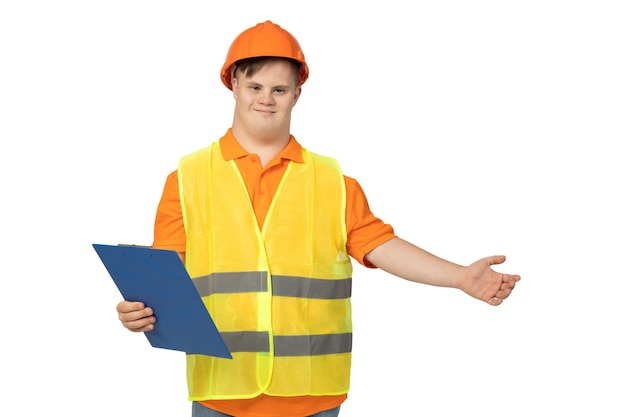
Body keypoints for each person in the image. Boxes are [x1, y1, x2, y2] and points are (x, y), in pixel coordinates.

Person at [116, 20, 521, 417]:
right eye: (255, 87)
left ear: (297, 94)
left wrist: (459, 277)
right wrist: (139, 311)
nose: (266, 99)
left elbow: (382, 246)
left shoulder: (333, 182)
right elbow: (167, 277)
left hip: (312, 396)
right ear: (234, 84)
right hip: (222, 393)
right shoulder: (186, 179)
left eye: (279, 89)